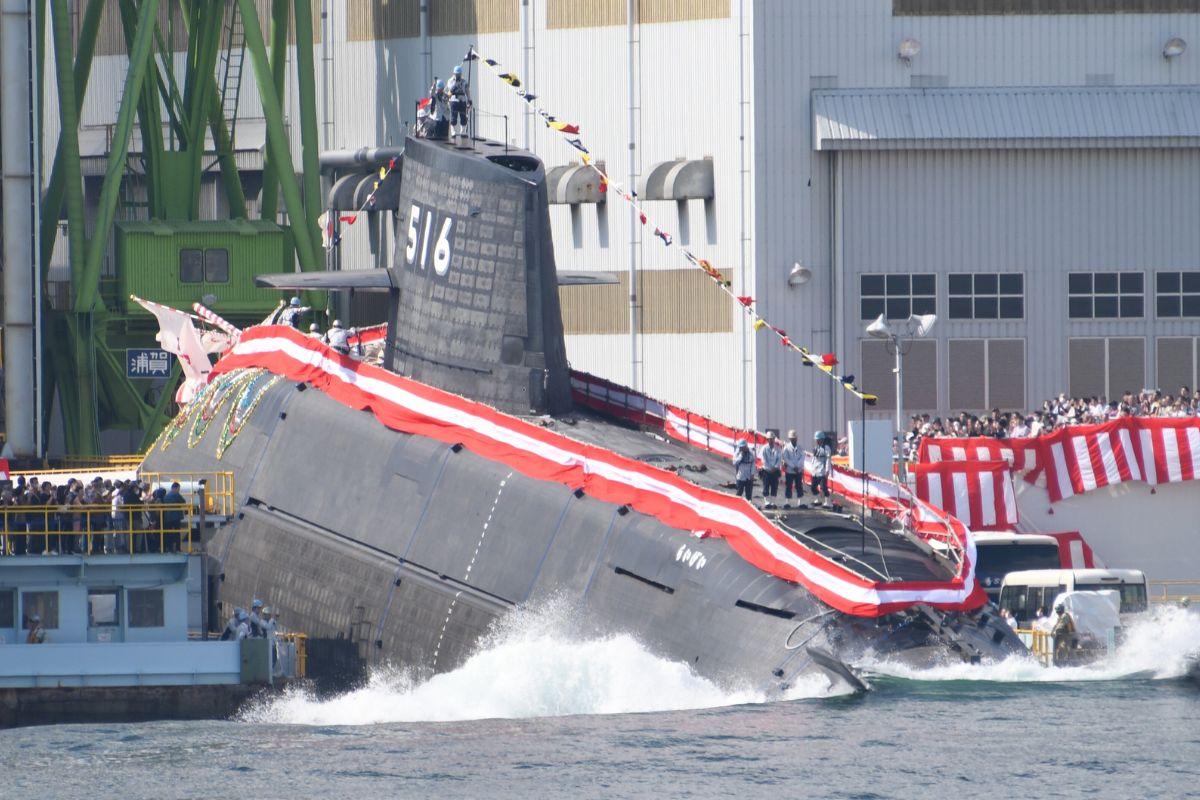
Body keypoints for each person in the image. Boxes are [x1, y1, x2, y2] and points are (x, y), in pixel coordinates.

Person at [780, 429, 805, 508]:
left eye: (794, 438)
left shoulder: (800, 447)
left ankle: (800, 502)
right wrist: (793, 466)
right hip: (790, 470)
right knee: (789, 486)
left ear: (796, 438)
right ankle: (787, 502)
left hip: (798, 470)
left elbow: (802, 457)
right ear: (790, 439)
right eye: (792, 438)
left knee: (799, 486)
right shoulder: (786, 448)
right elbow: (785, 458)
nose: (793, 439)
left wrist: (798, 466)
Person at [758, 432, 782, 508]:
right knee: (766, 486)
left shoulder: (778, 449)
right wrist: (769, 468)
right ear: (767, 439)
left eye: (772, 439)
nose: (771, 440)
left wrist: (775, 467)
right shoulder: (764, 448)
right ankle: (767, 502)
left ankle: (773, 502)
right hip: (766, 470)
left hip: (775, 470)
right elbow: (764, 460)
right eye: (770, 439)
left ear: (774, 439)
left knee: (774, 486)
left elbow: (779, 459)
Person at [447, 64, 471, 137]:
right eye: (456, 74)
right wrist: (456, 83)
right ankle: (453, 132)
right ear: (454, 74)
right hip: (454, 100)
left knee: (463, 117)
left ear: (461, 74)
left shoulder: (464, 82)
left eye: (459, 74)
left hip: (462, 100)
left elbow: (467, 91)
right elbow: (450, 89)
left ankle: (463, 132)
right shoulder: (450, 81)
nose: (457, 75)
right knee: (453, 117)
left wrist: (469, 100)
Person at [810, 431, 833, 507]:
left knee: (823, 487)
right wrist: (812, 469)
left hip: (822, 471)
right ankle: (818, 500)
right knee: (813, 487)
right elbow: (813, 459)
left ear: (822, 439)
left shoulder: (826, 448)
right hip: (815, 471)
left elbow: (828, 460)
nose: (816, 441)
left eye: (818, 439)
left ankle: (828, 502)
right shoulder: (816, 448)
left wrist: (827, 470)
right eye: (816, 440)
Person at [163, 482, 187, 552]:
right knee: (177, 533)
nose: (178, 490)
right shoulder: (176, 495)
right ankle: (177, 548)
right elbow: (183, 501)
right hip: (176, 517)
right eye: (178, 489)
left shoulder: (166, 496)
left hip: (168, 517)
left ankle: (170, 548)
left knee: (169, 533)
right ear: (175, 488)